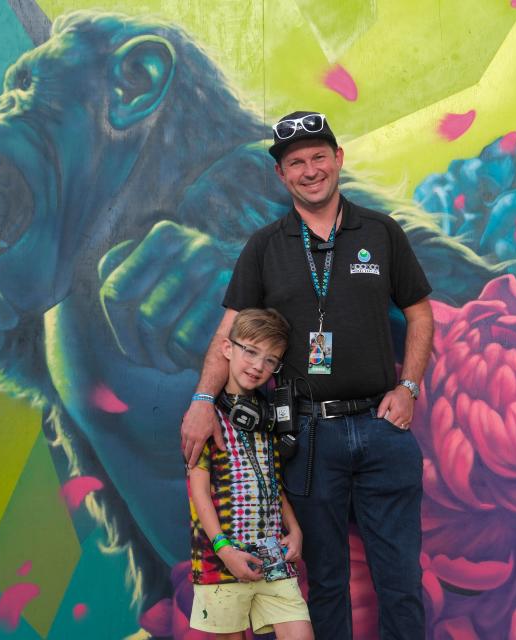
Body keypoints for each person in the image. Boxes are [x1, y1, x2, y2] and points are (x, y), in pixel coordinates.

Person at [181, 111, 434, 639]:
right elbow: (227, 334)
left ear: (338, 159)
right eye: (296, 162)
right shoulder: (264, 246)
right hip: (306, 436)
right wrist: (203, 398)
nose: (310, 169)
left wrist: (408, 387)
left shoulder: (382, 233)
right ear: (282, 175)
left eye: (319, 156)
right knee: (324, 582)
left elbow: (419, 312)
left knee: (401, 580)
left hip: (382, 429)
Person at [188, 308, 312, 640]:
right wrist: (224, 549)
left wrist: (295, 530)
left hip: (272, 552)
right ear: (227, 348)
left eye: (271, 360)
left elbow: (274, 484)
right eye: (251, 351)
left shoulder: (267, 417)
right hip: (222, 558)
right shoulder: (205, 418)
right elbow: (198, 492)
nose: (258, 365)